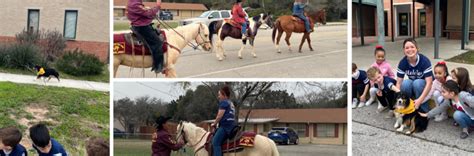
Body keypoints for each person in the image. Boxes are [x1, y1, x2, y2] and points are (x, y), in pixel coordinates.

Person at [395, 38, 433, 114]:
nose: (410, 49)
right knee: (405, 84)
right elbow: (398, 83)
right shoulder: (403, 62)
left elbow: (429, 83)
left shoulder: (424, 61)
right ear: (404, 50)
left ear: (417, 49)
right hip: (414, 84)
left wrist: (420, 100)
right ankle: (408, 107)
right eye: (407, 48)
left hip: (424, 86)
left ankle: (423, 110)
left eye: (412, 47)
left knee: (417, 83)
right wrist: (398, 99)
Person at [127, 0, 164, 73]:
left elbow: (143, 13)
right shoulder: (135, 4)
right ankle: (158, 66)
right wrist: (158, 6)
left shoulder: (133, 2)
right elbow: (148, 14)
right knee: (157, 42)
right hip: (142, 27)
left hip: (139, 25)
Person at [366, 45, 396, 111]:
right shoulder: (373, 66)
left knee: (386, 92)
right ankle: (374, 99)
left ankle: (387, 106)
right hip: (377, 84)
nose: (380, 58)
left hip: (385, 83)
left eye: (382, 57)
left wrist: (388, 81)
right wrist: (373, 84)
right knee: (373, 90)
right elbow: (371, 77)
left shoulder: (387, 65)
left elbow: (392, 75)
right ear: (375, 56)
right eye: (378, 56)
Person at [211, 86, 237, 156]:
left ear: (224, 95)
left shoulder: (224, 103)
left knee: (215, 142)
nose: (218, 97)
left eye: (219, 95)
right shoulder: (231, 103)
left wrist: (214, 124)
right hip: (232, 125)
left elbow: (219, 116)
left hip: (225, 127)